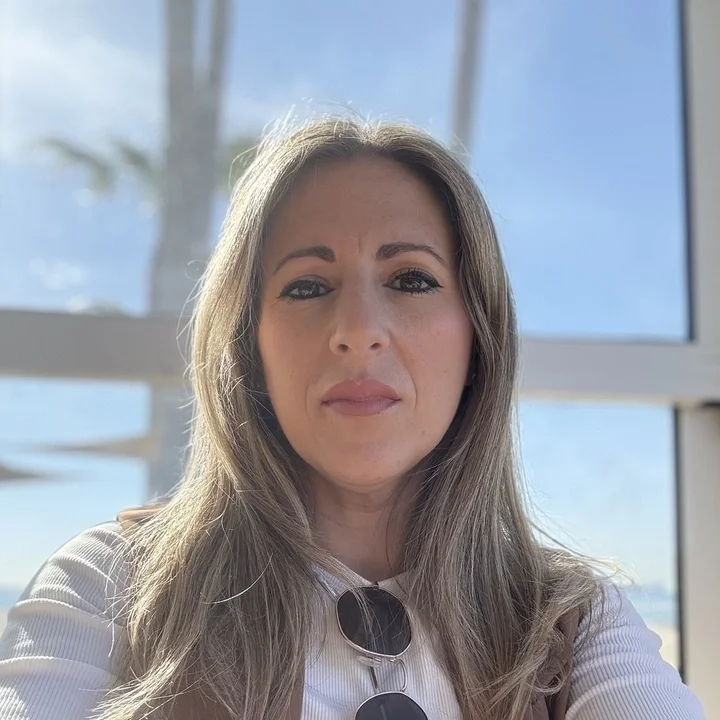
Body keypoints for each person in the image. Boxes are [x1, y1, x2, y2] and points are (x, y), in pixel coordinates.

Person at [0, 117, 706, 720]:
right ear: (249, 345)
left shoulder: (576, 620)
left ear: (478, 338)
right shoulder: (109, 586)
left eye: (411, 279)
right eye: (307, 286)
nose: (358, 330)